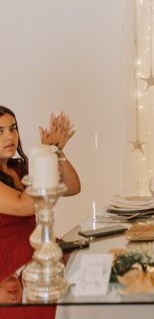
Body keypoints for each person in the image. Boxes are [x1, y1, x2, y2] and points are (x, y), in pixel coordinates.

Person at [0, 106, 81, 316]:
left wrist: (56, 152)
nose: (10, 136)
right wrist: (44, 153)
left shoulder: (20, 168)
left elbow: (73, 187)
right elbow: (25, 204)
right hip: (8, 266)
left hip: (37, 253)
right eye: (0, 131)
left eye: (13, 128)